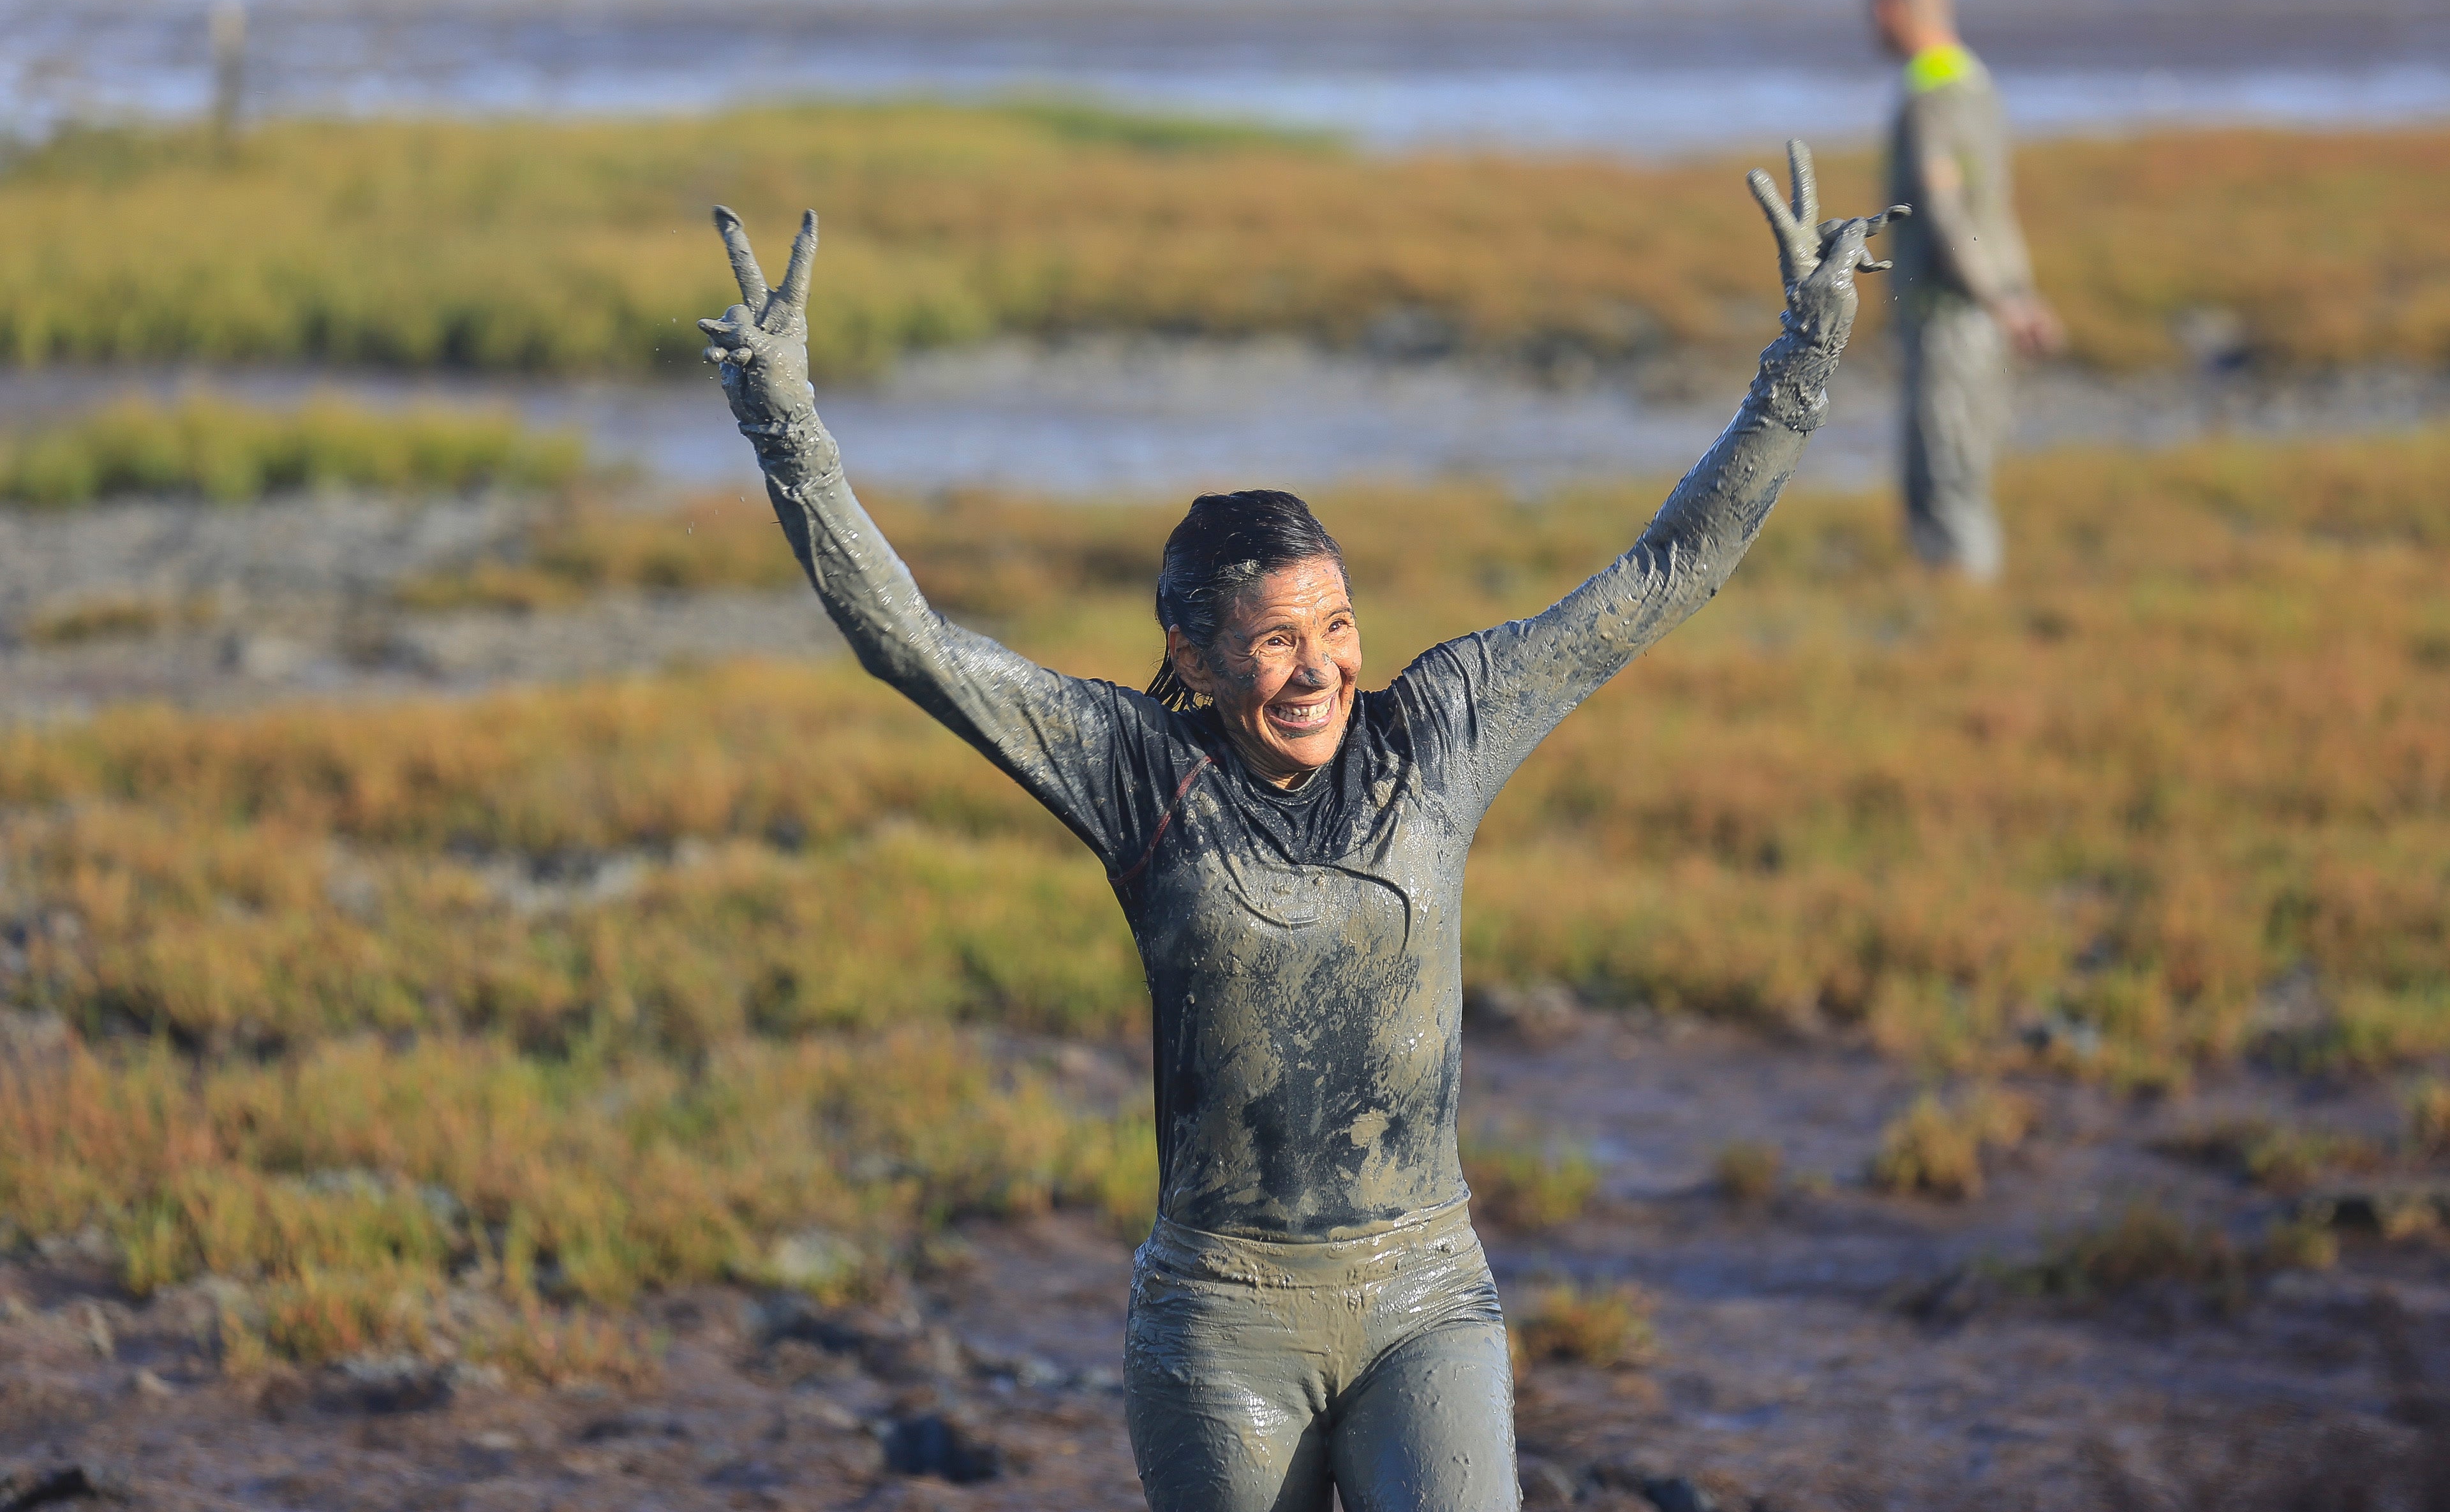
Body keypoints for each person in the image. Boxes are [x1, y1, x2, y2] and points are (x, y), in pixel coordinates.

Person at [697, 145, 1898, 1512]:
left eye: (1335, 625)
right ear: (1195, 658)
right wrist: (784, 422)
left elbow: (1667, 569)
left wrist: (1805, 354)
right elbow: (910, 643)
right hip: (1222, 1315)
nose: (1321, 665)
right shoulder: (1137, 768)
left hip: (1425, 1291)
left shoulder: (1441, 729)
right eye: (1275, 639)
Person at [1870, 0, 2063, 582]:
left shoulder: (1930, 93)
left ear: (1890, 6)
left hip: (1954, 321)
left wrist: (2003, 303)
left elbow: (1950, 214)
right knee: (1959, 486)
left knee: (1946, 493)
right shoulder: (1974, 79)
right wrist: (2018, 296)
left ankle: (1962, 639)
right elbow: (1994, 213)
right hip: (1985, 312)